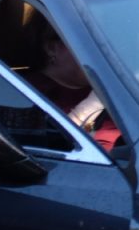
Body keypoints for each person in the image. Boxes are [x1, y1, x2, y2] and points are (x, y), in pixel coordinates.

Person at [24, 18, 122, 150]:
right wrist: (95, 103)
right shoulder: (25, 91)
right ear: (52, 48)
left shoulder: (108, 83)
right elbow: (55, 147)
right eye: (86, 45)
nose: (99, 54)